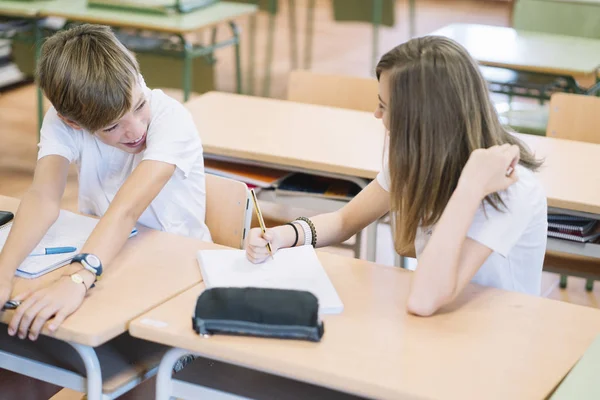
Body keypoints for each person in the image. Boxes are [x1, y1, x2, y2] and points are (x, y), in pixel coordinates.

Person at [246, 36, 547, 317]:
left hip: (496, 332)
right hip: (441, 324)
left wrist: (468, 188)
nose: (377, 115)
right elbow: (345, 221)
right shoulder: (419, 159)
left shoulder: (508, 188)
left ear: (421, 121)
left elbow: (424, 300)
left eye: (384, 106)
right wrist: (282, 236)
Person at [0, 24, 210, 340]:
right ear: (73, 122)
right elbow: (43, 196)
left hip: (176, 267)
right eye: (113, 127)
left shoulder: (172, 119)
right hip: (108, 255)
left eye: (139, 106)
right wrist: (3, 272)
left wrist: (77, 278)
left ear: (137, 79)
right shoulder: (64, 122)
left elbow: (125, 210)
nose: (136, 129)